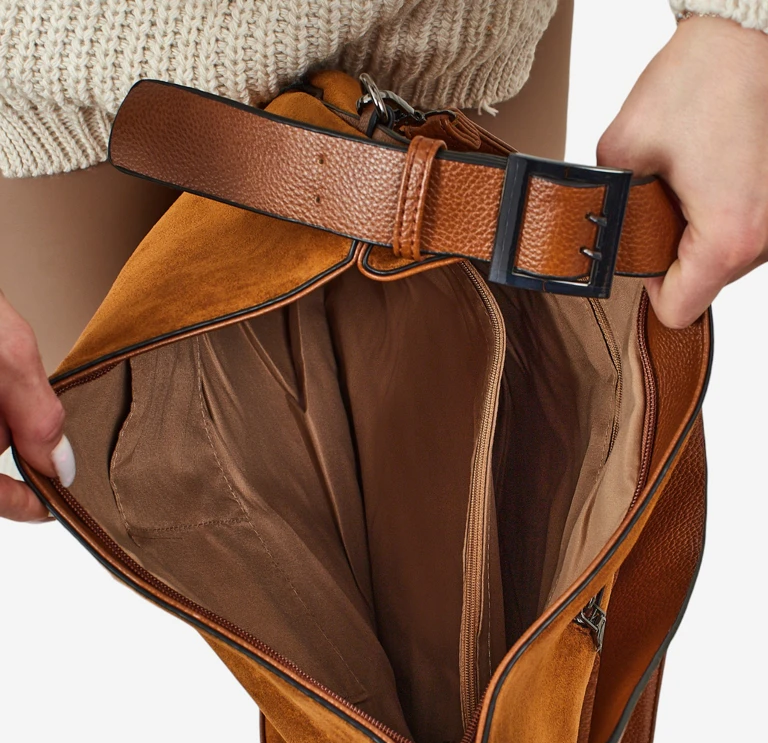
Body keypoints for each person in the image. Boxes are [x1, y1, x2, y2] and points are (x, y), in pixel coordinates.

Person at [1, 1, 766, 523]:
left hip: (450, 50)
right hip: (62, 84)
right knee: (162, 507)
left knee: (478, 537)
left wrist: (744, 29)